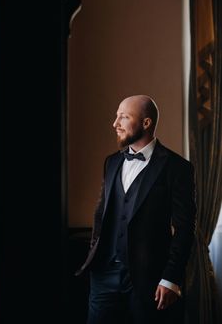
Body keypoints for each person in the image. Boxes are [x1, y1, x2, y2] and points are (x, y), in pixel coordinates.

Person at [75, 95, 197, 324]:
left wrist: (171, 278)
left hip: (149, 280)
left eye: (124, 116)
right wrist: (95, 252)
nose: (115, 123)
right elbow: (101, 215)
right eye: (116, 116)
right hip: (104, 274)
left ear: (146, 123)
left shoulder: (177, 168)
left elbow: (185, 228)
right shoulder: (111, 162)